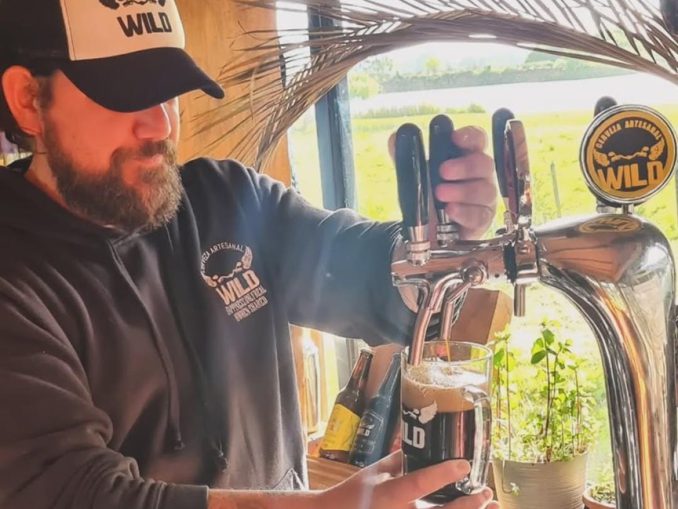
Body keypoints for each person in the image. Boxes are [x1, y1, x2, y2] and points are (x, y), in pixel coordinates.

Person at [0, 0, 499, 508]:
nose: (161, 126)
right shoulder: (14, 279)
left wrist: (438, 239)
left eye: (169, 92)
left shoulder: (226, 200)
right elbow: (71, 492)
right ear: (28, 101)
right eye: (125, 94)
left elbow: (363, 271)